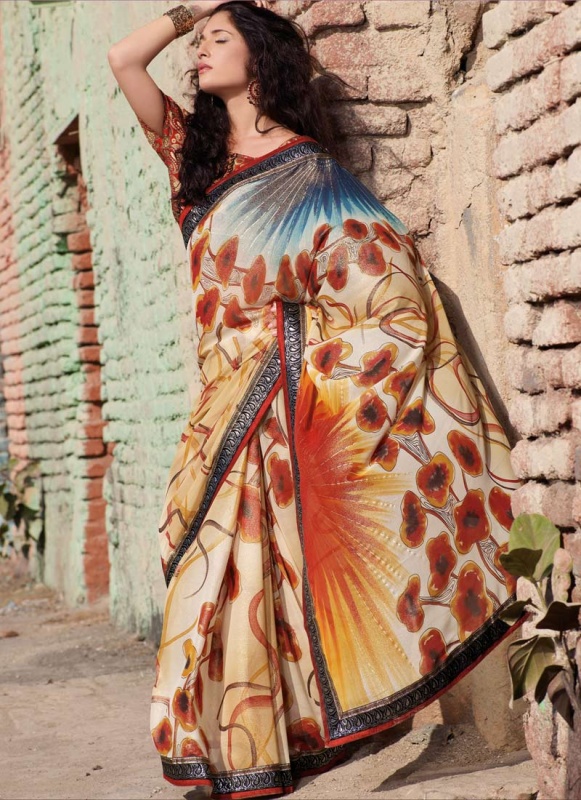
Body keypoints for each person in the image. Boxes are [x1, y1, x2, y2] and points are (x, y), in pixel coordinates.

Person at [108, 3, 521, 797]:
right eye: (199, 43)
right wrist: (191, 14)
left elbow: (392, 296)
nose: (200, 51)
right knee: (207, 570)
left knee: (267, 576)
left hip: (285, 398)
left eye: (219, 40)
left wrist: (293, 344)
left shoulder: (314, 176)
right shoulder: (192, 156)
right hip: (221, 403)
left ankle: (267, 742)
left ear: (259, 59)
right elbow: (125, 59)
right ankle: (230, 738)